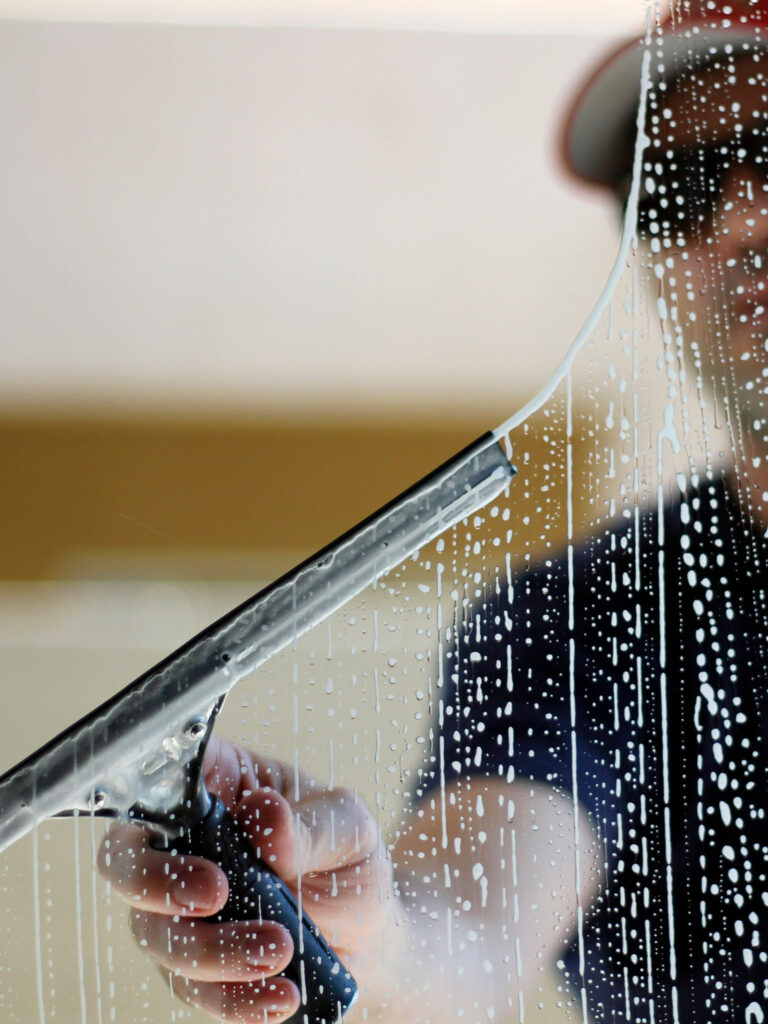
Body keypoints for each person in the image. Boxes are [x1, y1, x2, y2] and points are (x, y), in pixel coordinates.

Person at [98, 3, 768, 1022]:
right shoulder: (585, 620)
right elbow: (467, 931)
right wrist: (360, 924)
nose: (738, 219)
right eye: (676, 191)